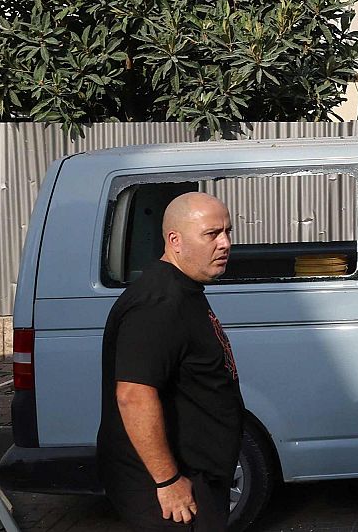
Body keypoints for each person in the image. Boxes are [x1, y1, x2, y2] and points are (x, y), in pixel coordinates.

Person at [98, 192, 241, 531]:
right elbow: (133, 395)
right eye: (211, 234)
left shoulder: (183, 291)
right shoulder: (159, 302)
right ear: (174, 240)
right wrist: (167, 481)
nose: (225, 244)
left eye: (227, 232)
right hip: (174, 489)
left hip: (196, 478)